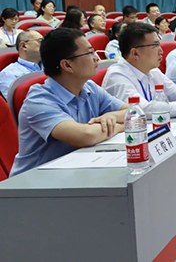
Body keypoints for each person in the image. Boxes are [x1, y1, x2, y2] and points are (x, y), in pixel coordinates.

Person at [10, 28, 127, 176]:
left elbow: (133, 111)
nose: (96, 58)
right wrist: (120, 126)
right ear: (67, 65)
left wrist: (111, 117)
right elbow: (85, 136)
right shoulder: (39, 100)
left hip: (74, 171)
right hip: (34, 183)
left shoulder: (89, 88)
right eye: (89, 53)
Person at [102, 23, 176, 118]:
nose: (161, 51)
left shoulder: (152, 70)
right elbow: (140, 109)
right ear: (135, 53)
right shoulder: (116, 75)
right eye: (155, 45)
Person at [0, 30, 43, 97]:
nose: (45, 45)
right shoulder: (8, 74)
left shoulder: (52, 66)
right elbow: (15, 102)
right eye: (40, 41)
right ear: (24, 46)